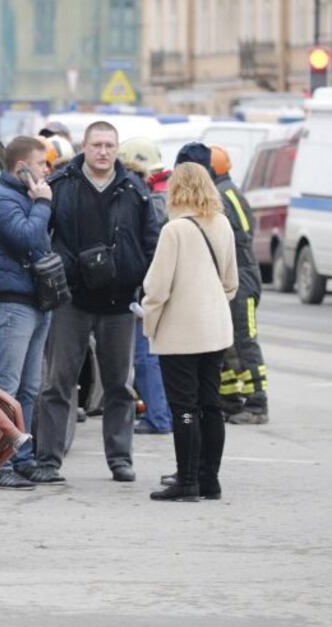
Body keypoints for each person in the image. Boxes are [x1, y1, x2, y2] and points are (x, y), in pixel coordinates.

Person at [31, 121, 160, 484]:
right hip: (71, 301)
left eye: (109, 145)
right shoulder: (61, 186)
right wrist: (57, 272)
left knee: (120, 386)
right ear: (84, 147)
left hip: (119, 303)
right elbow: (39, 235)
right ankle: (49, 460)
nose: (103, 151)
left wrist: (140, 284)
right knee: (58, 383)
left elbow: (151, 242)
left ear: (116, 149)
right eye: (97, 144)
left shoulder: (134, 190)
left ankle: (120, 459)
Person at [142, 161, 239, 501]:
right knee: (211, 405)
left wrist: (149, 322)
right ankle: (208, 479)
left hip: (180, 332)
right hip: (215, 329)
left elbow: (157, 288)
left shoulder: (174, 230)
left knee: (183, 405)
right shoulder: (223, 224)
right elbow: (231, 283)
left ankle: (186, 482)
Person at [0, 136, 54, 490]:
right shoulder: (1, 199)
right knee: (6, 388)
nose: (46, 172)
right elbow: (26, 237)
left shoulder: (24, 196)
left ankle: (21, 457)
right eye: (42, 164)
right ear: (22, 166)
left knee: (29, 387)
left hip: (37, 301)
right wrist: (41, 205)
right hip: (13, 303)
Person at [209, 144, 269, 425]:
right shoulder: (227, 191)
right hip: (236, 275)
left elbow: (238, 238)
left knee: (244, 341)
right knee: (227, 342)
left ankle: (257, 403)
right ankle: (230, 399)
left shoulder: (224, 194)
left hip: (241, 278)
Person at [117, 137, 173, 436]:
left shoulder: (150, 201)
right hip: (160, 287)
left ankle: (159, 417)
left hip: (149, 289)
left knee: (145, 354)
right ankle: (163, 414)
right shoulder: (164, 195)